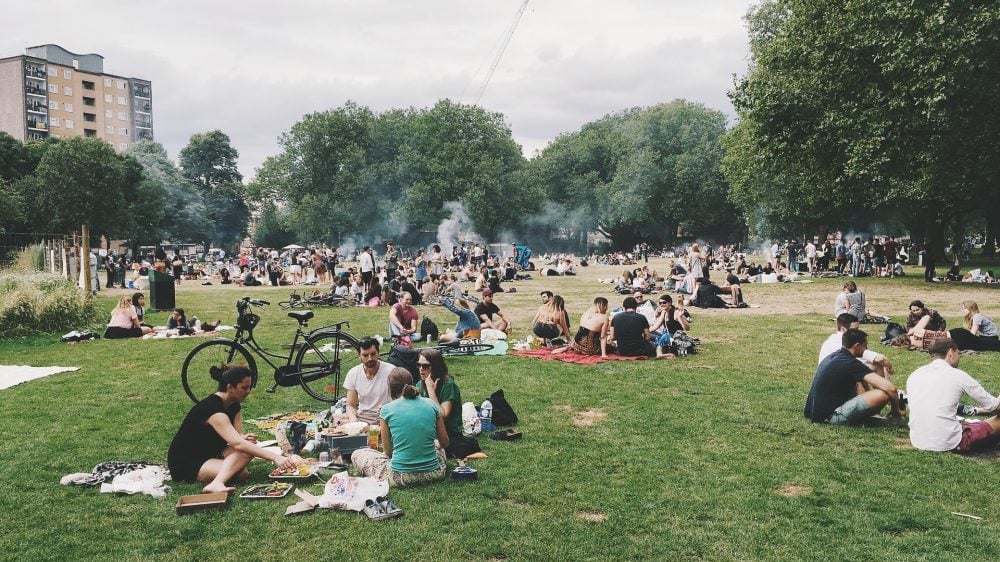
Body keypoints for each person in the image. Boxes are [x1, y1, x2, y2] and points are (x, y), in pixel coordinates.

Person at [167, 366, 304, 493]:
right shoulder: (213, 410)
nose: (248, 391)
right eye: (244, 388)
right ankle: (216, 484)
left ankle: (221, 474)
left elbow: (238, 438)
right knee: (241, 469)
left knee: (244, 463)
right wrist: (275, 457)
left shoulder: (234, 406)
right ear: (230, 387)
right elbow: (238, 444)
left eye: (249, 387)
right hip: (187, 463)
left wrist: (244, 438)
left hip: (211, 454)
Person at [350, 368, 449, 487]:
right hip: (434, 473)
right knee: (438, 446)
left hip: (401, 477)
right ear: (412, 383)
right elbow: (445, 442)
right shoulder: (431, 404)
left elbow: (388, 452)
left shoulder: (387, 410)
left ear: (390, 388)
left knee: (357, 454)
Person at [907, 339, 1000, 453]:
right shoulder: (958, 375)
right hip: (949, 443)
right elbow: (995, 406)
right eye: (958, 353)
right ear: (951, 353)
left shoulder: (915, 374)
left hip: (917, 439)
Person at [804, 328, 903, 424]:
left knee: (859, 382)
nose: (866, 349)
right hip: (829, 417)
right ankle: (876, 417)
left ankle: (873, 415)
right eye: (865, 346)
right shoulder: (850, 363)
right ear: (857, 346)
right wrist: (896, 412)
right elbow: (891, 389)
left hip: (814, 412)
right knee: (882, 394)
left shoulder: (835, 356)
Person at [415, 349, 480, 458]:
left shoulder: (448, 385)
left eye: (425, 366)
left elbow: (443, 416)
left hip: (448, 432)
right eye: (419, 365)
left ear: (435, 367)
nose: (421, 369)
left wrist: (431, 392)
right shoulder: (419, 385)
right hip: (428, 430)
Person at [819, 313, 894, 381]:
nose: (857, 332)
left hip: (826, 376)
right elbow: (879, 359)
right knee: (876, 366)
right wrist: (889, 366)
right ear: (843, 329)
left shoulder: (833, 339)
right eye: (855, 329)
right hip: (835, 377)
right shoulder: (848, 341)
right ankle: (886, 393)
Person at [344, 337, 395, 424]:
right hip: (363, 417)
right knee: (336, 420)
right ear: (359, 355)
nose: (370, 358)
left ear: (378, 353)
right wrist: (353, 420)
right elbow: (351, 405)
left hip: (386, 417)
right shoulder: (353, 373)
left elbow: (399, 401)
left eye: (373, 354)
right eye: (365, 355)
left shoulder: (391, 371)